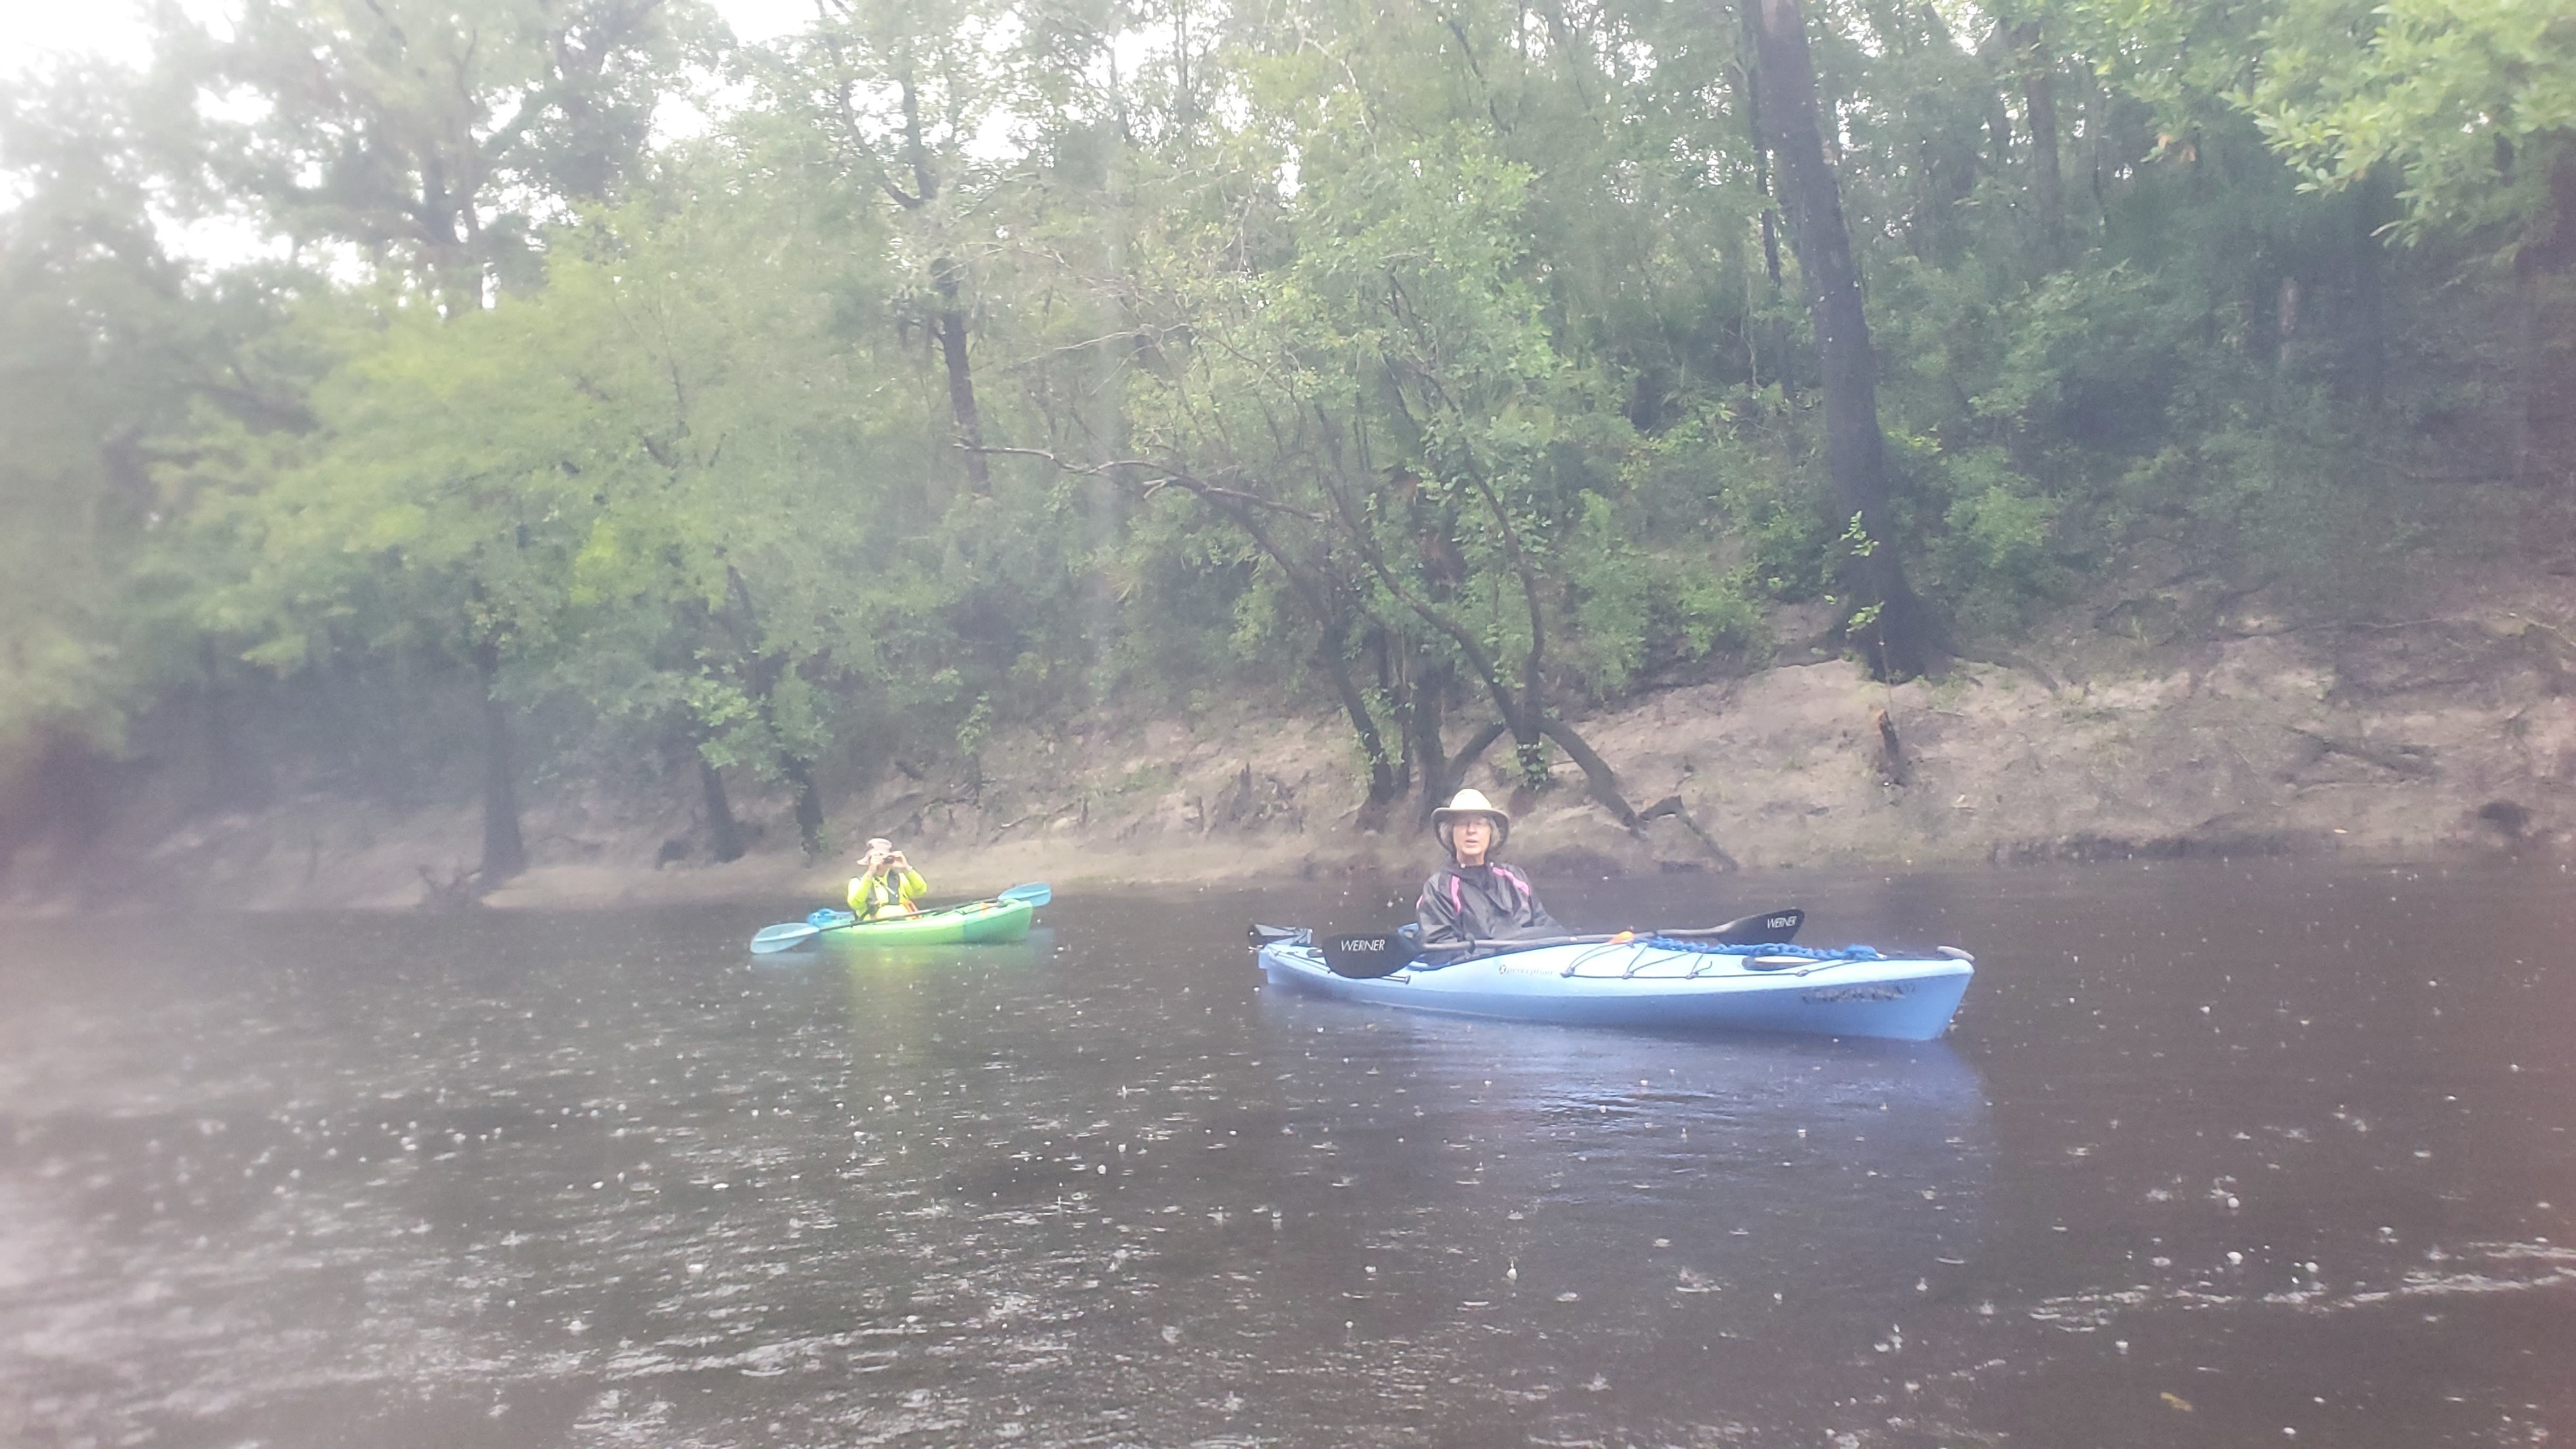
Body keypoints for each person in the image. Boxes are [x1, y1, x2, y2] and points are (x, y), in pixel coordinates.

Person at [1414, 788, 1565, 960]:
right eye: (1463, 824)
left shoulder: (1516, 878)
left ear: (1490, 832)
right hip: (1479, 974)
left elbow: (1547, 926)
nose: (1471, 830)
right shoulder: (1438, 889)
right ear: (1451, 833)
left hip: (1529, 968)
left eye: (1479, 823)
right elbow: (1441, 952)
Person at [847, 837, 927, 920]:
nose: (882, 861)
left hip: (904, 923)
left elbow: (920, 891)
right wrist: (870, 873)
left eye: (885, 858)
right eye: (877, 857)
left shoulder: (900, 879)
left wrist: (906, 868)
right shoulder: (857, 882)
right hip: (875, 926)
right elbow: (855, 904)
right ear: (869, 861)